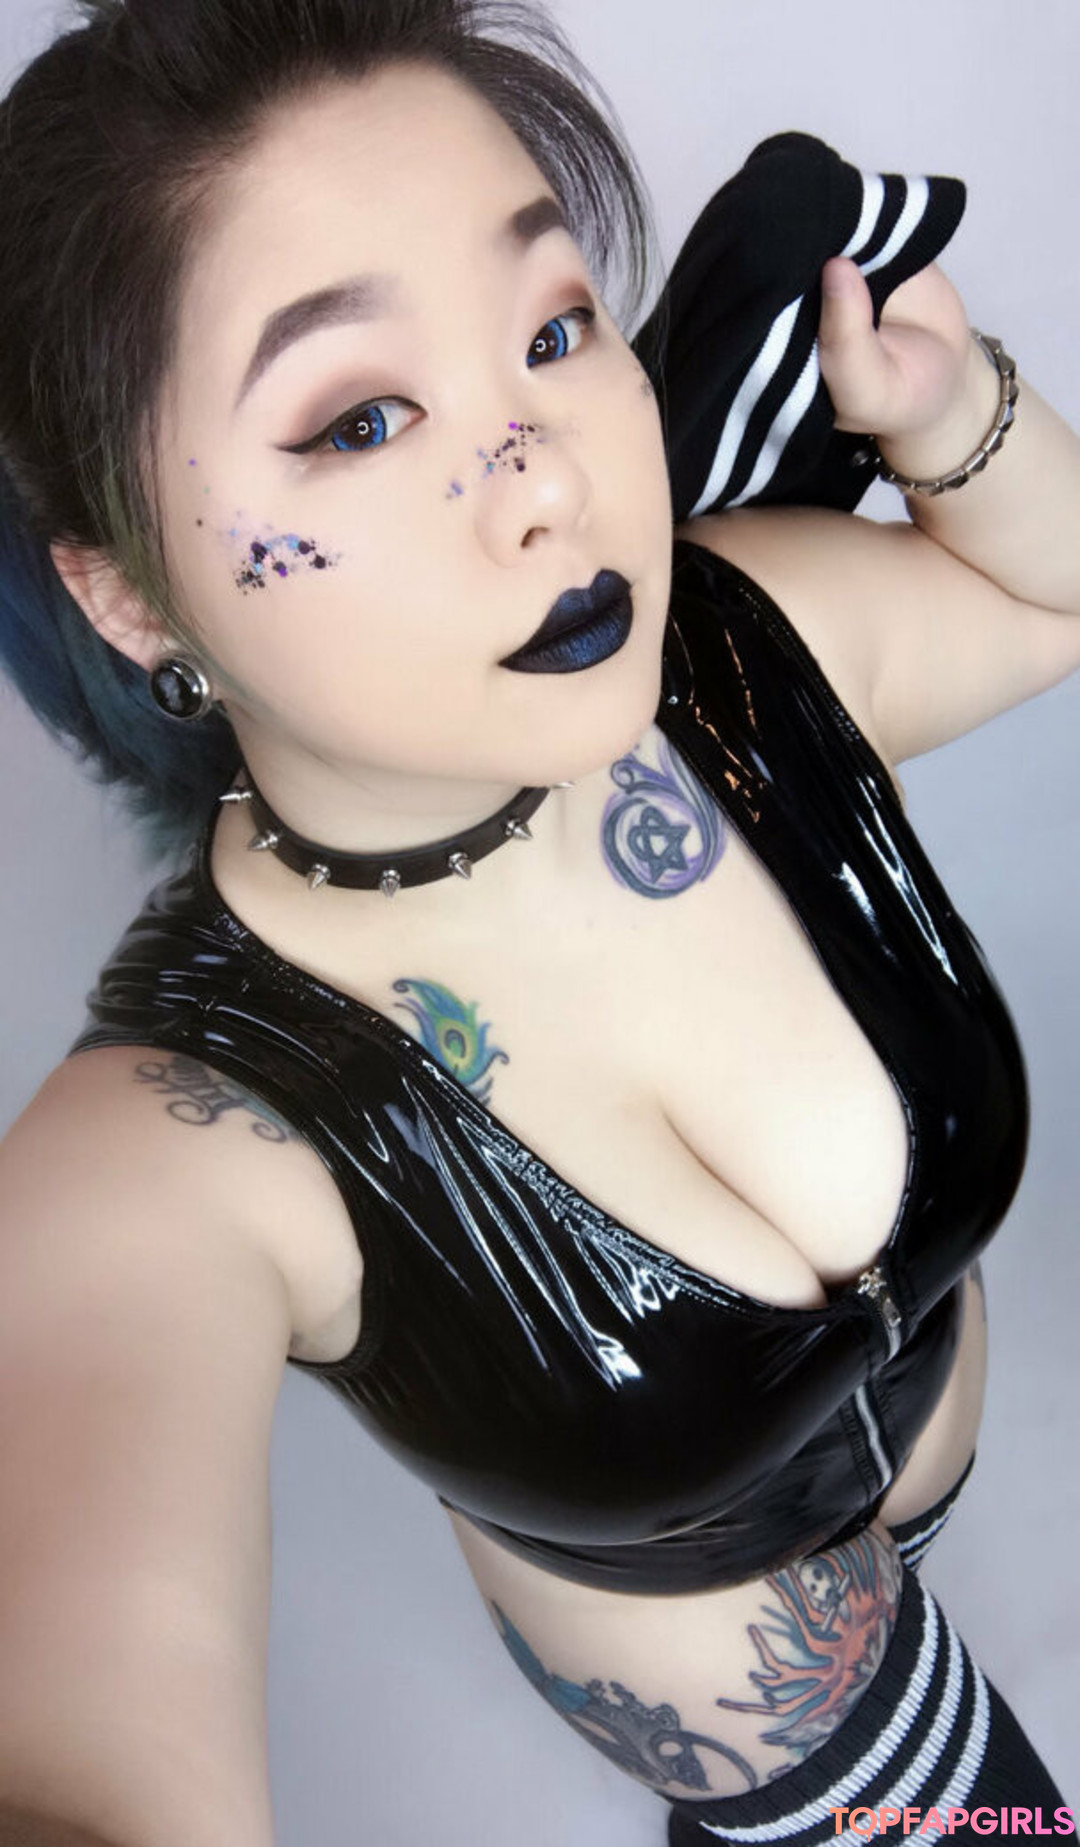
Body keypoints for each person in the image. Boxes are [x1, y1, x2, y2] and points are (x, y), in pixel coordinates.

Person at [0, 2, 1076, 1843]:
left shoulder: (744, 656)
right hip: (772, 1717)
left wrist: (957, 413)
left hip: (930, 1479)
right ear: (130, 597)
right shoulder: (180, 1148)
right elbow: (81, 1752)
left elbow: (1044, 603)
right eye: (361, 419)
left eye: (555, 330)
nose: (550, 480)